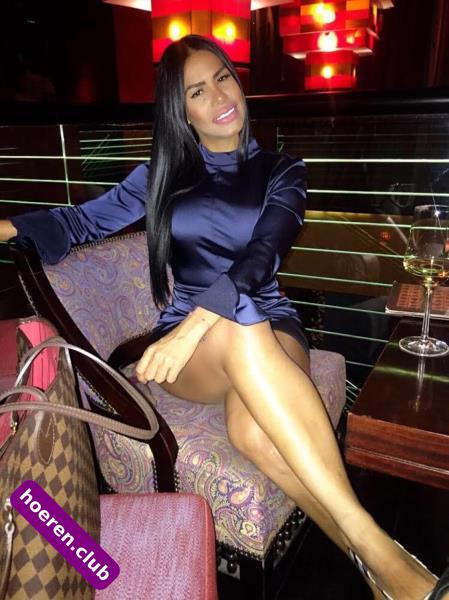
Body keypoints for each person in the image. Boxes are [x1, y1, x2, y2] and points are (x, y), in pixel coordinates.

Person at [0, 35, 447, 600]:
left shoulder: (284, 170)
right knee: (237, 327)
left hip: (269, 324)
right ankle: (388, 555)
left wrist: (194, 326)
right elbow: (78, 223)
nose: (218, 96)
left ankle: (374, 573)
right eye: (197, 91)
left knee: (252, 433)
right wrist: (5, 228)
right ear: (181, 111)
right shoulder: (161, 176)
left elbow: (263, 256)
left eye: (223, 78)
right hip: (198, 353)